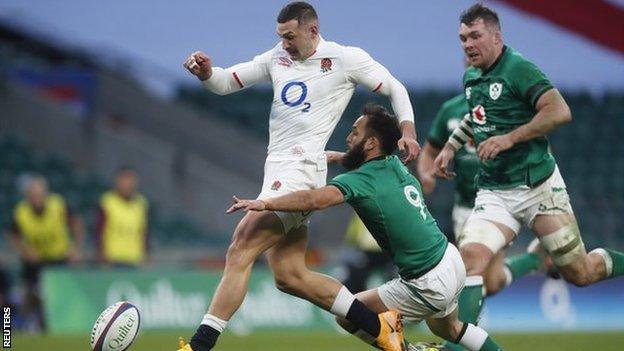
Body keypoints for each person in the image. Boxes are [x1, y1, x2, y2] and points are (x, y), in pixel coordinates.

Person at [180, 2, 420, 351]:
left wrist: (408, 132)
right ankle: (381, 327)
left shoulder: (343, 58)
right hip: (278, 171)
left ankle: (199, 346)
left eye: (290, 36)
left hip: (301, 170)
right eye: (281, 36)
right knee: (290, 276)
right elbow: (226, 82)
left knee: (241, 247)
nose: (285, 44)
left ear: (312, 29)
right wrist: (205, 73)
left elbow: (396, 88)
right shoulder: (278, 57)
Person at [229, 104, 502, 351]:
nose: (349, 137)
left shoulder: (359, 181)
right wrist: (339, 156)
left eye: (354, 133)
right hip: (450, 260)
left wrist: (265, 203)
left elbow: (313, 199)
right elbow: (368, 155)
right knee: (449, 329)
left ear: (371, 143)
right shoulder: (394, 163)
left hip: (428, 281)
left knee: (348, 314)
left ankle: (409, 350)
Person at [434, 4, 624, 349]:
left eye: (475, 36)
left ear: (496, 36)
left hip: (540, 189)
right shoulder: (472, 77)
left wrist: (509, 138)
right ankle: (461, 346)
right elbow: (476, 117)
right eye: (462, 38)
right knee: (470, 261)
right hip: (495, 193)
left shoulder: (519, 69)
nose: (467, 44)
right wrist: (450, 146)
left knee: (581, 273)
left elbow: (559, 110)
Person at [418, 93, 546, 298]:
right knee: (492, 282)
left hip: (500, 203)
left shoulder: (508, 106)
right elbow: (430, 150)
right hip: (465, 206)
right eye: (468, 59)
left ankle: (466, 329)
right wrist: (425, 174)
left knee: (473, 277)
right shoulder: (450, 109)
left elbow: (537, 145)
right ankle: (534, 259)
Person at [8, 176, 84, 331]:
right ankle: (12, 329)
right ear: (28, 196)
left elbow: (76, 223)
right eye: (33, 195)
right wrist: (25, 251)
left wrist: (75, 248)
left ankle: (55, 326)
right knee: (29, 295)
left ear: (46, 195)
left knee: (59, 296)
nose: (36, 198)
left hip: (58, 259)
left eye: (39, 194)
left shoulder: (58, 204)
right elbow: (13, 235)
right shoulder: (21, 211)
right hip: (35, 262)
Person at [95, 166, 149, 267]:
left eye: (131, 180)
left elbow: (143, 230)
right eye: (125, 180)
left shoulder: (141, 203)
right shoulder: (107, 202)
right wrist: (101, 252)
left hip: (134, 258)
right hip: (113, 258)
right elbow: (99, 229)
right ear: (117, 181)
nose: (128, 184)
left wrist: (145, 252)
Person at [340, 213, 395, 294]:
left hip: (385, 252)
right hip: (368, 252)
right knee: (357, 276)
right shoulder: (359, 214)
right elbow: (352, 235)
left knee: (393, 276)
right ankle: (355, 298)